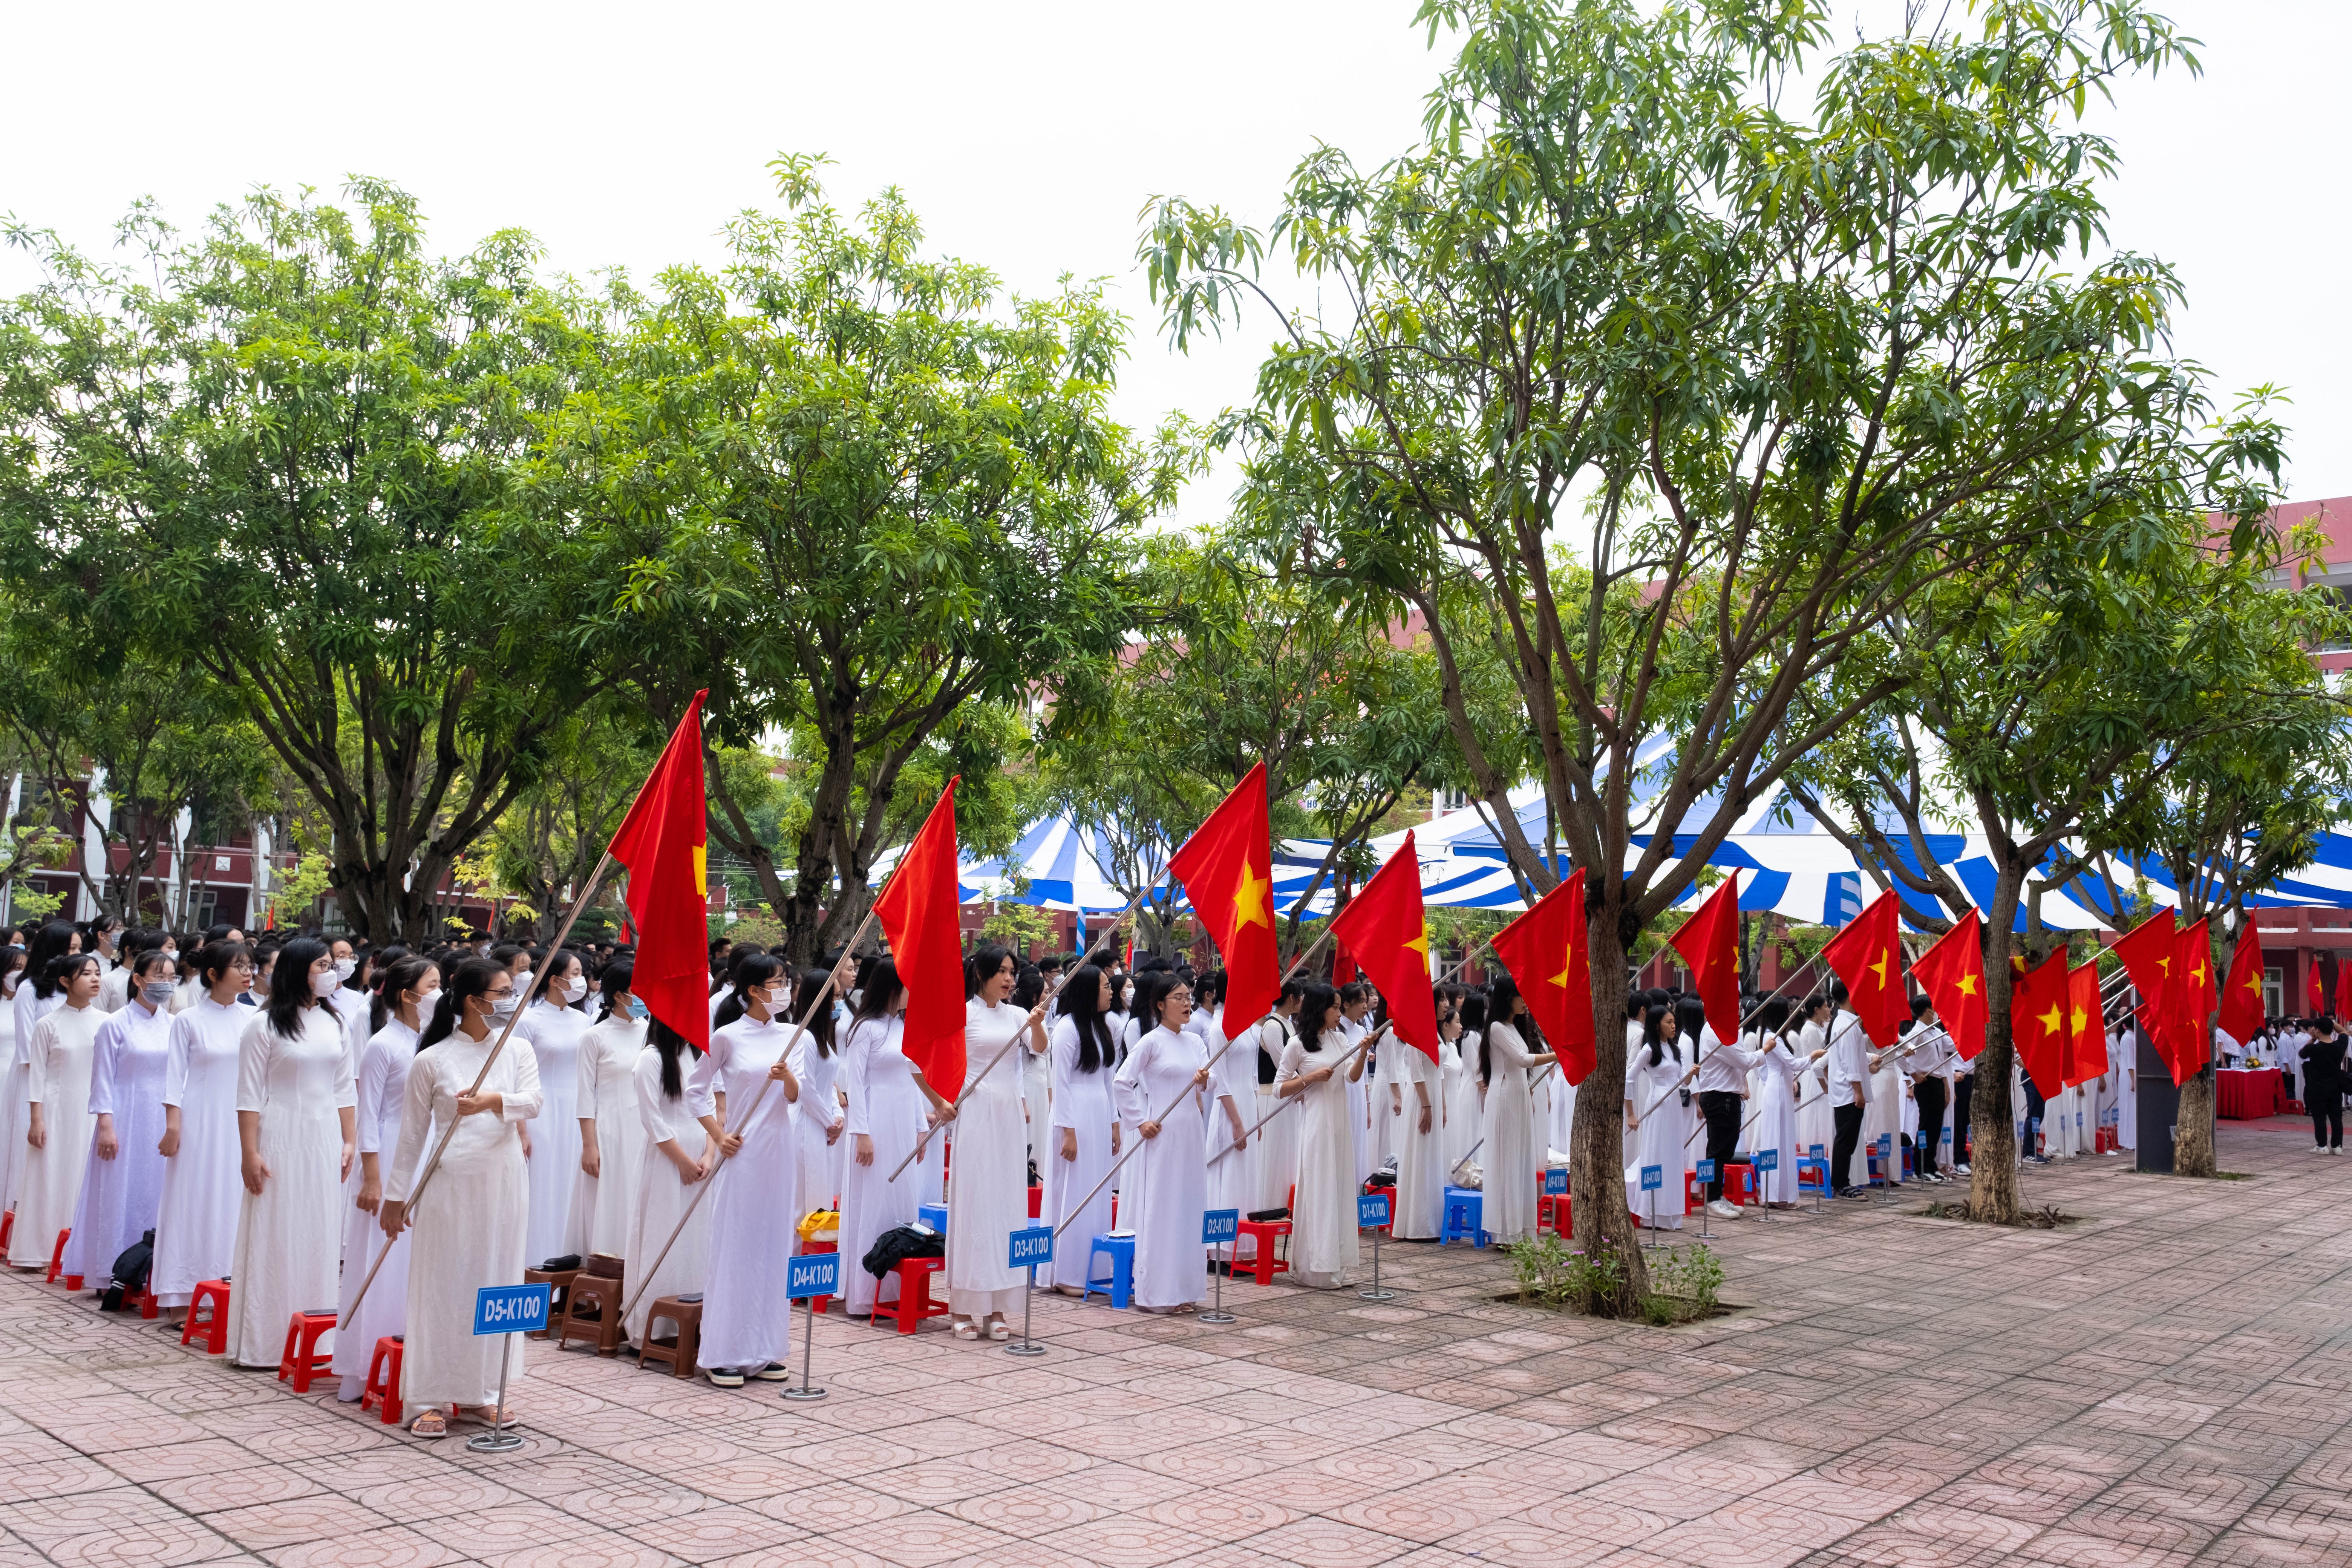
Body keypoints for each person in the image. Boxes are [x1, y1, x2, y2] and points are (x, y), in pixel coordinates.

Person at [380, 958, 539, 1437]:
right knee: (442, 1285)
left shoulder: (517, 1050)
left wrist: (492, 1101)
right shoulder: (431, 1060)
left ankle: (481, 1392)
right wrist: (395, 1197)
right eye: (504, 991)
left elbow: (534, 1101)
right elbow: (411, 1137)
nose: (512, 999)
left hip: (504, 1179)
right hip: (449, 1183)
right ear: (474, 1000)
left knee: (495, 1277)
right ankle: (426, 1396)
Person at [224, 938, 357, 1368]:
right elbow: (246, 1096)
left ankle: (316, 1340)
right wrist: (250, 1153)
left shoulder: (336, 1023)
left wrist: (349, 1139)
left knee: (317, 1232)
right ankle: (264, 1342)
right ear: (300, 969)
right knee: (276, 1232)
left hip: (325, 1140)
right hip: (280, 1135)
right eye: (322, 963)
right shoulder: (263, 1026)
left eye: (330, 964)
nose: (330, 970)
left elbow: (344, 1086)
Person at [688, 954, 802, 1385]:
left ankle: (766, 1348)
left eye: (786, 981)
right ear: (753, 989)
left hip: (780, 1149)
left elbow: (798, 1096)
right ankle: (723, 1352)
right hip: (742, 1152)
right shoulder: (727, 1037)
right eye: (776, 982)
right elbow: (696, 1091)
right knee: (737, 1246)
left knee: (774, 1245)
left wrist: (786, 1076)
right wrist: (719, 1136)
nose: (784, 988)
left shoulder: (794, 1036)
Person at [332, 956, 437, 1401]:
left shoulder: (434, 1043)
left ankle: (415, 1353)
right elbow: (368, 1115)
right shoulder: (383, 1044)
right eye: (433, 985)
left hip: (426, 1150)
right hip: (391, 1152)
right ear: (406, 994)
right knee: (383, 1250)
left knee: (420, 1253)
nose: (440, 992)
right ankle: (363, 1363)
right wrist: (372, 1179)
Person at [838, 959, 952, 1318]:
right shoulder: (865, 1029)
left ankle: (895, 1291)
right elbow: (855, 1084)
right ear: (890, 987)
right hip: (875, 1120)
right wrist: (863, 1134)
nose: (911, 995)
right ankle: (863, 1293)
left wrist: (920, 1127)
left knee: (901, 1200)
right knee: (872, 1200)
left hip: (904, 1121)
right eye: (906, 987)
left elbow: (911, 1080)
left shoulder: (905, 1028)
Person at [63, 949, 179, 1289]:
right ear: (138, 980)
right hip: (126, 1116)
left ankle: (153, 1270)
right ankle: (110, 1268)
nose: (166, 985)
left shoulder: (175, 1025)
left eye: (172, 978)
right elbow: (101, 1080)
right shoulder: (114, 1024)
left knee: (157, 1190)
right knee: (120, 1189)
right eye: (159, 977)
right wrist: (106, 1127)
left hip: (163, 1117)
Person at [945, 945, 1044, 1341]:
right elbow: (938, 1062)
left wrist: (1037, 1023)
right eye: (1001, 971)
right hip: (974, 1113)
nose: (1008, 978)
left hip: (1007, 1118)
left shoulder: (1019, 1015)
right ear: (981, 973)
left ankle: (999, 1307)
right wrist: (942, 1103)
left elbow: (1036, 1051)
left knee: (1006, 1206)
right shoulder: (964, 1014)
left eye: (1012, 972)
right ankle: (963, 1306)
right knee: (974, 1204)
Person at [152, 944, 255, 1314]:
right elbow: (174, 1077)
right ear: (213, 974)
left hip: (242, 1120)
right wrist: (173, 1125)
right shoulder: (188, 1019)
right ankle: (183, 1294)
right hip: (200, 1119)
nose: (249, 972)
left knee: (234, 1199)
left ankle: (231, 1287)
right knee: (194, 1198)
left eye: (250, 965)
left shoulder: (254, 1017)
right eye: (239, 966)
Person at [1112, 974, 1211, 1312]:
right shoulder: (1151, 1042)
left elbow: (1208, 1087)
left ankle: (1185, 1289)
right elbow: (1122, 1082)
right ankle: (1157, 1293)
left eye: (1189, 997)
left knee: (1189, 1205)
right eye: (1179, 998)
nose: (1187, 1004)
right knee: (1162, 1208)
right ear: (1160, 1004)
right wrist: (1140, 1122)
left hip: (1191, 1131)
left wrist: (1205, 1080)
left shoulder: (1196, 1042)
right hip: (1162, 1132)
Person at [9, 954, 104, 1271]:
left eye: (97, 973)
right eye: (85, 974)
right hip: (55, 1107)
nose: (94, 979)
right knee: (49, 1175)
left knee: (82, 1174)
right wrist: (36, 1119)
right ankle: (38, 1250)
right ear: (65, 981)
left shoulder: (107, 1022)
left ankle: (77, 1251)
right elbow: (37, 1075)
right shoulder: (48, 1024)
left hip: (91, 1110)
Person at [624, 1018, 714, 1345]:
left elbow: (709, 1105)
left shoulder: (695, 1055)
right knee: (662, 1235)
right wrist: (682, 1162)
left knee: (697, 1237)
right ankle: (653, 1327)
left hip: (701, 1156)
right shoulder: (650, 1059)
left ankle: (694, 1320)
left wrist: (709, 1151)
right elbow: (652, 1119)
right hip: (667, 1159)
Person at [1277, 984, 1362, 1288]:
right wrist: (1310, 1078)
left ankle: (1336, 1265)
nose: (1339, 1014)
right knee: (1318, 1192)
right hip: (1316, 1126)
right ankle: (1313, 1268)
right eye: (1335, 1008)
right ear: (1320, 1009)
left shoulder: (1340, 1040)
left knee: (1338, 1191)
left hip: (1339, 1126)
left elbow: (1352, 1078)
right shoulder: (1298, 1044)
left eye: (1340, 1008)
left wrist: (1363, 1053)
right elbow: (1279, 1089)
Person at [1044, 963, 1120, 1295]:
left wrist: (1115, 1124)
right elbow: (1059, 1083)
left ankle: (1093, 1268)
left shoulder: (1102, 1027)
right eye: (1106, 986)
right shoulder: (1066, 1029)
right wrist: (1069, 1131)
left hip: (1099, 1113)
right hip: (1072, 1114)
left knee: (1096, 1190)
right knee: (1072, 1191)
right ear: (1089, 990)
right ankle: (1066, 1273)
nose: (1112, 992)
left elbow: (1109, 1079)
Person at [568, 961, 649, 1263]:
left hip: (645, 1127)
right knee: (610, 1201)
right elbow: (585, 1095)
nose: (645, 998)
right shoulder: (595, 1037)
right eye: (637, 991)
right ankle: (605, 1275)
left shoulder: (651, 1032)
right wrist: (589, 1146)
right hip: (610, 1129)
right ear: (618, 995)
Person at [516, 949, 590, 1266]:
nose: (581, 980)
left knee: (571, 1188)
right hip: (541, 1112)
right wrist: (520, 1129)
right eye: (575, 973)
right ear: (555, 979)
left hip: (577, 1111)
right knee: (543, 1188)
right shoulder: (527, 1020)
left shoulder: (585, 1020)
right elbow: (514, 1076)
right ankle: (533, 1265)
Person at [4, 921, 81, 1223]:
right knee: (29, 1154)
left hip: (70, 1084)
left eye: (78, 949)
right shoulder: (29, 990)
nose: (77, 954)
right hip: (33, 1083)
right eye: (71, 949)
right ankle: (18, 1224)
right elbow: (27, 1050)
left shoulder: (73, 990)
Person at [1689, 995, 1760, 1219]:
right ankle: (1712, 1198)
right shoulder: (1716, 1031)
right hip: (1719, 1097)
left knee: (1725, 1149)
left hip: (1728, 1096)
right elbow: (1745, 1061)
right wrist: (1765, 1051)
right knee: (1718, 1151)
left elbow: (1741, 1064)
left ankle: (1717, 1194)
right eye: (1733, 1006)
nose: (1738, 1010)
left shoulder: (1728, 1031)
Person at [788, 963, 847, 1214]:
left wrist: (839, 1116)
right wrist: (829, 1121)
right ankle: (796, 1253)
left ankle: (814, 1253)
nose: (839, 1002)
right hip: (805, 1125)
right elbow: (806, 1088)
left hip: (821, 1125)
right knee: (804, 1201)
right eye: (835, 997)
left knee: (819, 1197)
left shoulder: (823, 1037)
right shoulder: (804, 1038)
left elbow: (829, 1085)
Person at [1623, 1002, 1686, 1229]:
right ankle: (1653, 1211)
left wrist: (1691, 1074)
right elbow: (1629, 1079)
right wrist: (1631, 1114)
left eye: (1674, 1022)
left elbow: (1682, 1080)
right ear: (1657, 1025)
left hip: (1674, 1106)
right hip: (1658, 1103)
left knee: (1672, 1154)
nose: (1673, 1026)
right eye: (1668, 1022)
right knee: (1657, 1153)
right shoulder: (1649, 1049)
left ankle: (1671, 1212)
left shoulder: (1674, 1049)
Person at [1822, 984, 1871, 1196]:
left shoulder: (1846, 1022)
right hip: (1848, 1092)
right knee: (1845, 1139)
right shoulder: (1846, 1025)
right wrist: (1858, 1092)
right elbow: (1850, 1063)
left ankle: (1843, 1181)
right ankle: (1841, 1183)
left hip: (1846, 1091)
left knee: (1848, 1139)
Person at [2301, 1018, 2344, 1154]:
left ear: (2318, 1031)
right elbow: (2343, 1031)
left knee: (2320, 1117)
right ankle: (2337, 1146)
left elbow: (2302, 1054)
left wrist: (2314, 1039)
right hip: (2336, 1087)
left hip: (2317, 1088)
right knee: (2336, 1117)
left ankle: (2322, 1146)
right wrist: (2331, 1024)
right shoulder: (2340, 1045)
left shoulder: (2313, 1048)